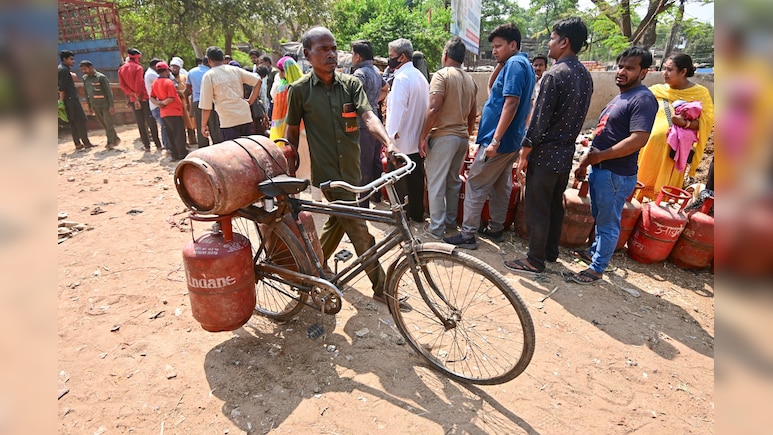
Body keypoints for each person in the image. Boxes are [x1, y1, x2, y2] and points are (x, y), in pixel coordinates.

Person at [284, 26, 397, 305]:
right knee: (359, 231)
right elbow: (291, 131)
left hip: (352, 172)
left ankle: (310, 271)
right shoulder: (299, 91)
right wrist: (290, 166)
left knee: (337, 221)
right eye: (323, 49)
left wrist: (388, 142)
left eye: (333, 48)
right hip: (328, 176)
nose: (331, 54)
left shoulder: (351, 84)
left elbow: (369, 116)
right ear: (308, 55)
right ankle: (381, 287)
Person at [503, 17, 594, 275]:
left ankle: (534, 259)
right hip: (565, 154)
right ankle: (550, 251)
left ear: (564, 42)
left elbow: (539, 121)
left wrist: (525, 152)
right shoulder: (584, 75)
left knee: (538, 207)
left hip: (545, 155)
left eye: (552, 39)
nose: (550, 44)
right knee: (555, 204)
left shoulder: (554, 75)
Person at [569, 46, 658, 284]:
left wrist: (601, 156)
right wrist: (587, 161)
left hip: (615, 173)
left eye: (630, 68)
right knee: (601, 216)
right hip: (603, 169)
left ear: (644, 72)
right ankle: (595, 252)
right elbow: (604, 133)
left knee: (609, 222)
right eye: (620, 66)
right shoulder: (622, 96)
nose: (621, 71)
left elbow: (638, 139)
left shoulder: (643, 98)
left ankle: (597, 268)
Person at [444, 23, 535, 249]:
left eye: (499, 46)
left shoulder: (514, 64)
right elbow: (495, 88)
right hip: (512, 140)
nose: (495, 50)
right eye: (493, 47)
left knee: (475, 182)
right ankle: (496, 228)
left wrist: (494, 140)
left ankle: (467, 235)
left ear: (513, 45)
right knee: (501, 185)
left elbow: (511, 102)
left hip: (499, 141)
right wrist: (499, 62)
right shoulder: (522, 64)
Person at [418, 36, 477, 239]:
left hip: (443, 136)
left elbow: (434, 108)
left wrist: (422, 136)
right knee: (453, 182)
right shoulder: (470, 80)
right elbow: (472, 114)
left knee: (435, 183)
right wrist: (467, 135)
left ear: (445, 56)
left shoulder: (441, 75)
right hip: (461, 138)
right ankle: (451, 224)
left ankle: (436, 229)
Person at [635, 53, 715, 201]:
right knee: (639, 188)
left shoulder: (700, 94)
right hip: (649, 150)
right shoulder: (656, 91)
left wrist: (685, 123)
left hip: (675, 153)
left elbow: (707, 122)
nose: (664, 73)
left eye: (669, 69)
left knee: (663, 198)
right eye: (664, 69)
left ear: (683, 72)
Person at [385, 38, 430, 223]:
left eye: (391, 56)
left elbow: (397, 110)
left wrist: (390, 140)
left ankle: (401, 218)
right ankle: (417, 215)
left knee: (398, 183)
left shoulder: (402, 79)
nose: (390, 60)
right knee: (416, 181)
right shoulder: (421, 77)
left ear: (402, 57)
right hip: (416, 141)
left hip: (401, 142)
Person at [350, 39, 389, 207]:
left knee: (363, 164)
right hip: (376, 121)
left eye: (352, 54)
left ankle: (363, 203)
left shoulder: (360, 74)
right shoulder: (374, 70)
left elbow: (351, 97)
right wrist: (374, 102)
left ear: (358, 56)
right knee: (375, 162)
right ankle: (376, 196)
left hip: (362, 123)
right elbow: (386, 88)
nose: (351, 57)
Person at [199, 46, 261, 141]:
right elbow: (258, 81)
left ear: (209, 60)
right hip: (245, 116)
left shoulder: (209, 76)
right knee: (248, 150)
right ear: (223, 59)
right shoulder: (235, 70)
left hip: (228, 121)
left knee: (234, 152)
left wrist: (203, 125)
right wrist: (250, 101)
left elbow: (206, 106)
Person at [118, 48, 162, 151]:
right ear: (136, 57)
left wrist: (132, 95)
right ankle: (158, 145)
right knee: (150, 120)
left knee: (140, 123)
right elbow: (139, 83)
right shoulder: (138, 68)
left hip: (133, 99)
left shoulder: (121, 69)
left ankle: (146, 146)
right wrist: (138, 96)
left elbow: (122, 85)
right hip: (143, 98)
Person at [149, 61, 188, 161]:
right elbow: (171, 98)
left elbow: (152, 97)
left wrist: (158, 104)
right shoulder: (168, 82)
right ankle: (182, 154)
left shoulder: (155, 83)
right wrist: (163, 103)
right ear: (166, 71)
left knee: (170, 134)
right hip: (174, 111)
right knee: (179, 133)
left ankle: (174, 155)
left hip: (164, 113)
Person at [79, 60, 120, 148]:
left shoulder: (101, 77)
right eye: (82, 70)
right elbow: (87, 93)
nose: (84, 71)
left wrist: (111, 106)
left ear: (91, 67)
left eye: (85, 69)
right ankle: (115, 138)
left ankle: (110, 142)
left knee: (108, 123)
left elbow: (109, 92)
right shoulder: (85, 78)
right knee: (104, 124)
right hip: (95, 105)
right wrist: (89, 106)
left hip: (105, 105)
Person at [58, 50, 94, 150]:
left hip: (68, 100)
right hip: (71, 100)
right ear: (64, 59)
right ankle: (86, 143)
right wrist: (62, 99)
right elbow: (62, 87)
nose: (73, 61)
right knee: (80, 121)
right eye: (71, 59)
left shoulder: (61, 69)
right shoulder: (64, 70)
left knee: (73, 122)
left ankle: (78, 144)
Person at [186, 57, 222, 146]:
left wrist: (196, 93)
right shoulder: (211, 72)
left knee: (200, 125)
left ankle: (203, 146)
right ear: (210, 62)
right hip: (211, 101)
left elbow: (188, 87)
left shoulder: (191, 72)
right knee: (214, 126)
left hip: (197, 101)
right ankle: (217, 145)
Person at [269, 56, 303, 141]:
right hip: (301, 125)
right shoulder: (303, 84)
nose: (279, 73)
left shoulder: (280, 86)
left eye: (279, 71)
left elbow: (272, 96)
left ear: (285, 72)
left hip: (283, 125)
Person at [169, 56, 197, 145]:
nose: (174, 69)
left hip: (185, 103)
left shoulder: (184, 77)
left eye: (176, 67)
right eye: (172, 67)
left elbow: (188, 89)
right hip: (174, 105)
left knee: (190, 122)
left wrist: (181, 93)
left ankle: (192, 140)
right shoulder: (169, 79)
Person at [145, 58, 171, 151]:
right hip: (158, 105)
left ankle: (167, 145)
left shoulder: (149, 73)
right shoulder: (152, 75)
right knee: (165, 126)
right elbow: (164, 81)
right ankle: (167, 146)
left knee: (164, 126)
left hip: (155, 104)